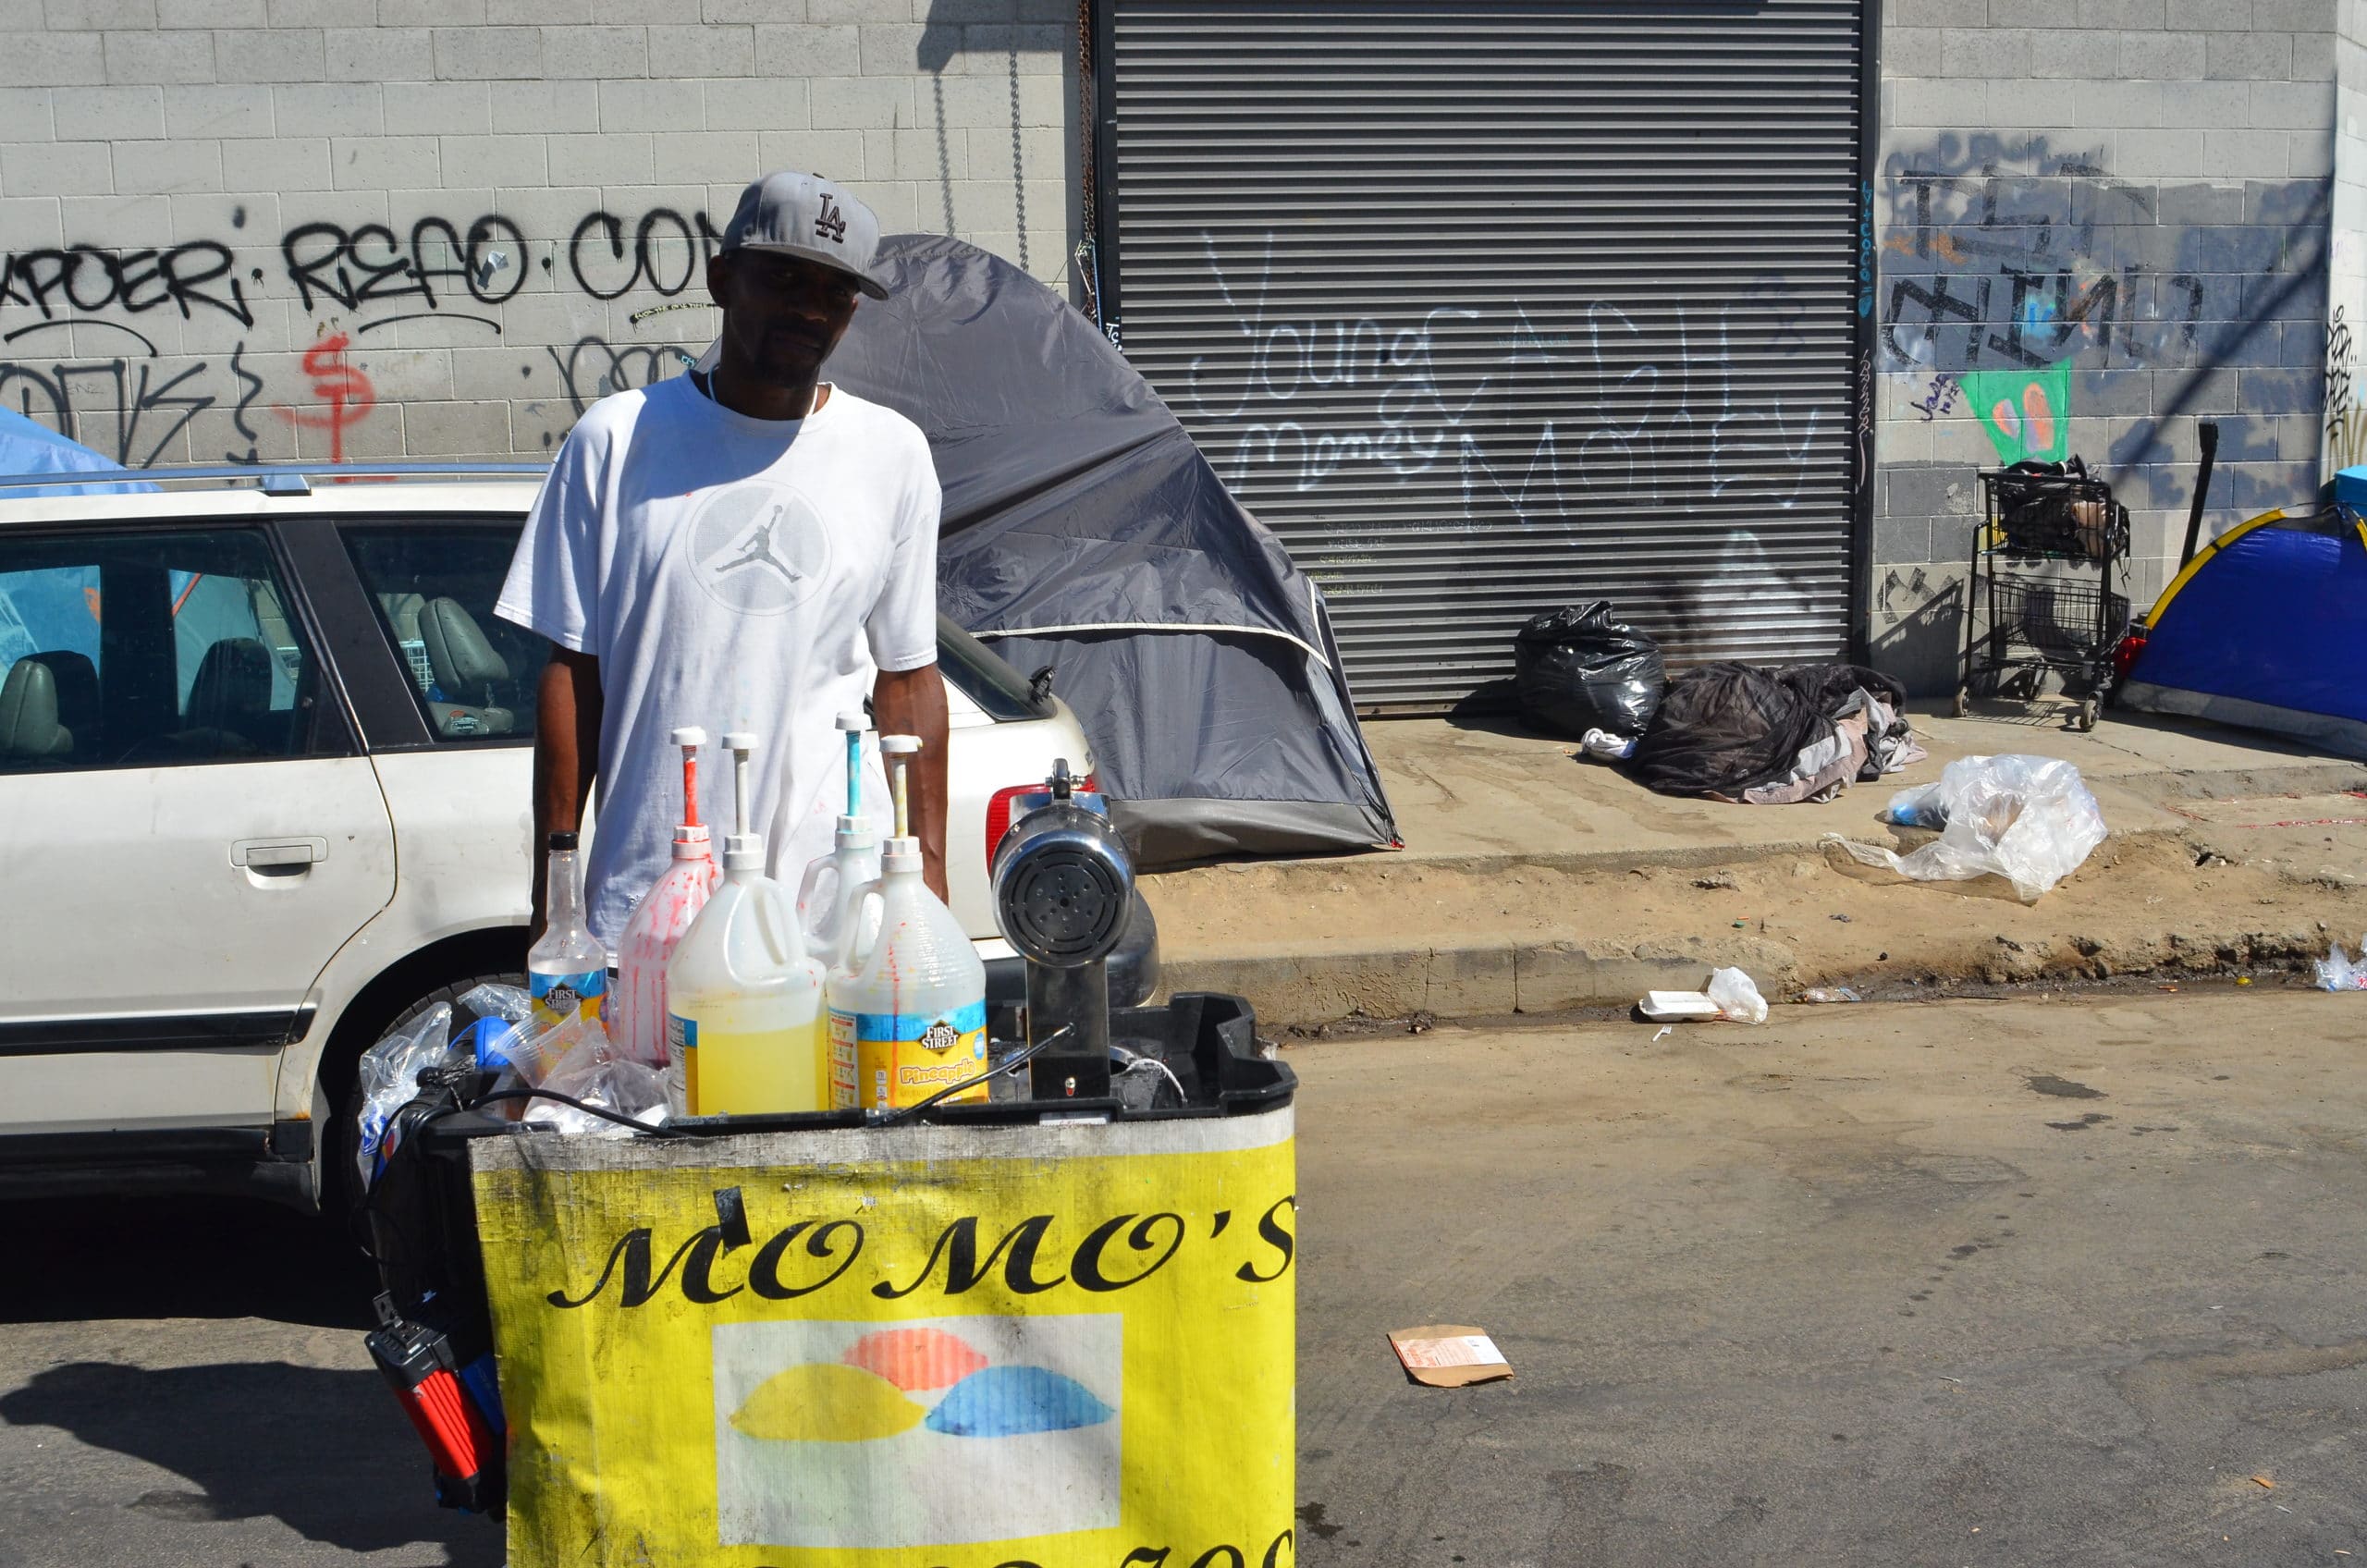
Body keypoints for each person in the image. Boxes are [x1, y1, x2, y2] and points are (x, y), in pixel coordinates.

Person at [497, 171, 948, 945]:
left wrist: (929, 875)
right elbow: (574, 675)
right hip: (656, 900)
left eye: (835, 292)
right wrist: (557, 891)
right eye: (783, 277)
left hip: (835, 902)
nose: (810, 307)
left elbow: (907, 681)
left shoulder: (892, 454)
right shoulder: (615, 440)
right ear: (721, 279)